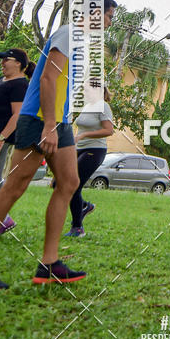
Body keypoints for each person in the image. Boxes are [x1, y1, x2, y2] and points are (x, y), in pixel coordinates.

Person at [0, 0, 117, 287]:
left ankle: (49, 265)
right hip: (39, 119)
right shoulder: (68, 34)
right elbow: (48, 79)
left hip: (59, 122)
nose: (109, 22)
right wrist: (49, 125)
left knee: (69, 182)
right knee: (15, 186)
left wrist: (59, 123)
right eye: (109, 16)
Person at [63, 86, 114, 237]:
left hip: (95, 150)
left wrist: (84, 136)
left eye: (88, 89)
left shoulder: (103, 107)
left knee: (73, 185)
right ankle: (85, 206)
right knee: (64, 183)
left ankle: (77, 228)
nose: (85, 92)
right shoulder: (87, 107)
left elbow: (109, 130)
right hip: (79, 149)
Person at [0, 49, 35, 239]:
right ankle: (4, 218)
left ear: (19, 63)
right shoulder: (2, 81)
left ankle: (4, 219)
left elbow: (17, 114)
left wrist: (1, 138)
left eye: (7, 60)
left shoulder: (21, 85)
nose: (2, 63)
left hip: (1, 137)